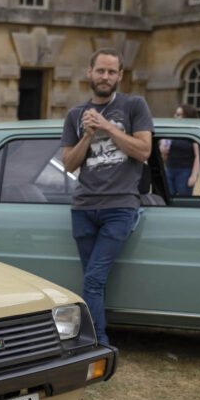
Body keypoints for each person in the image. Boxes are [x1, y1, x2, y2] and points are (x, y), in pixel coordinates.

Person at [61, 48, 153, 345]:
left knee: (93, 280)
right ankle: (96, 339)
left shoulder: (134, 105)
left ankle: (98, 342)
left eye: (112, 72)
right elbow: (69, 164)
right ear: (90, 73)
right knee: (93, 279)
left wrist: (106, 126)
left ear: (120, 76)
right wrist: (87, 134)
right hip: (84, 208)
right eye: (100, 71)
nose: (105, 77)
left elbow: (143, 151)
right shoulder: (75, 114)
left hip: (120, 207)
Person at [159, 103, 200, 196]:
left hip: (185, 171)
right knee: (168, 198)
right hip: (169, 169)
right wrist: (162, 149)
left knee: (183, 200)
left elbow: (198, 155)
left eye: (178, 114)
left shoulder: (193, 132)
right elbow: (164, 154)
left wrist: (194, 175)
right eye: (175, 114)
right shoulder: (173, 130)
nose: (174, 116)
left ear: (187, 116)